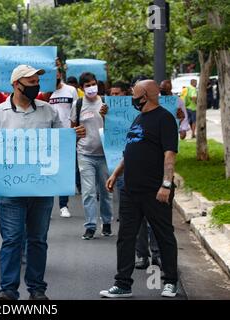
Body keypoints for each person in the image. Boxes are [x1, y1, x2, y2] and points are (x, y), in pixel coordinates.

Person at [0, 64, 86, 300]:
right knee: (13, 239)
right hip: (10, 189)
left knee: (37, 240)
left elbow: (61, 142)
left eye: (37, 82)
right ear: (16, 85)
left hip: (42, 188)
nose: (36, 87)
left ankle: (37, 289)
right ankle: (8, 290)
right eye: (31, 83)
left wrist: (74, 135)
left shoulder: (48, 112)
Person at [100, 80, 179, 298]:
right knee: (126, 236)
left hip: (155, 190)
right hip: (130, 189)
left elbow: (170, 154)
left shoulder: (165, 119)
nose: (132, 98)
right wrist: (116, 174)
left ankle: (170, 281)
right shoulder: (138, 117)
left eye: (134, 94)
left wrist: (166, 184)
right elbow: (130, 150)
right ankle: (122, 284)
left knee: (164, 235)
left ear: (145, 95)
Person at [70, 72, 113, 240]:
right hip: (85, 154)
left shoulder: (106, 103)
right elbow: (72, 128)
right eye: (87, 85)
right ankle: (90, 225)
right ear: (82, 88)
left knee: (105, 191)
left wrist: (106, 116)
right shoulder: (78, 104)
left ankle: (107, 222)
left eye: (93, 84)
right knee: (88, 192)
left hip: (104, 155)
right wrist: (75, 134)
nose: (91, 87)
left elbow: (116, 128)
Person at [48, 67, 79, 218]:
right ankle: (45, 205)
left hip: (66, 134)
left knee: (65, 171)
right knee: (48, 170)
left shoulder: (71, 90)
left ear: (60, 74)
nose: (55, 76)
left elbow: (77, 110)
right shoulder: (45, 92)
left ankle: (63, 205)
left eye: (57, 72)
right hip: (49, 135)